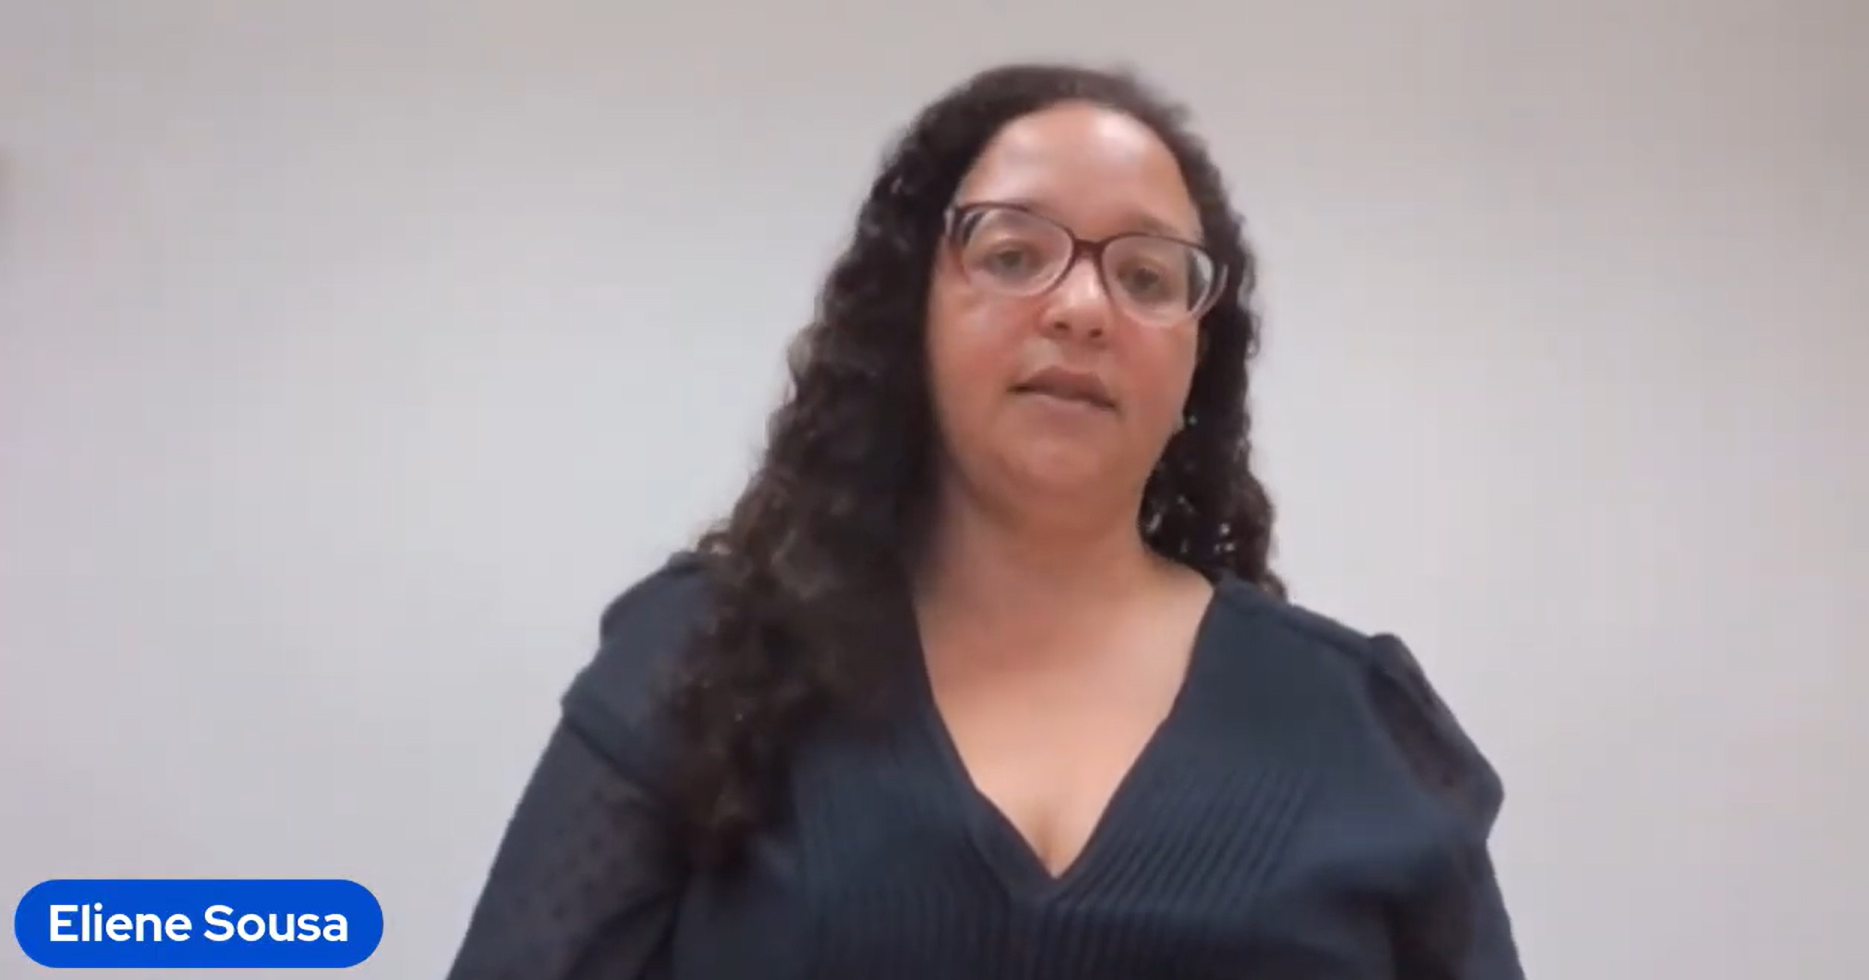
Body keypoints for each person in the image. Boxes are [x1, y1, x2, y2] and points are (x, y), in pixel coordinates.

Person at [444, 62, 1525, 979]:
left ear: (1199, 358)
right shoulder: (699, 661)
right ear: (908, 314)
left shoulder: (1359, 725)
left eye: (1147, 276)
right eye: (1013, 254)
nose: (1081, 306)